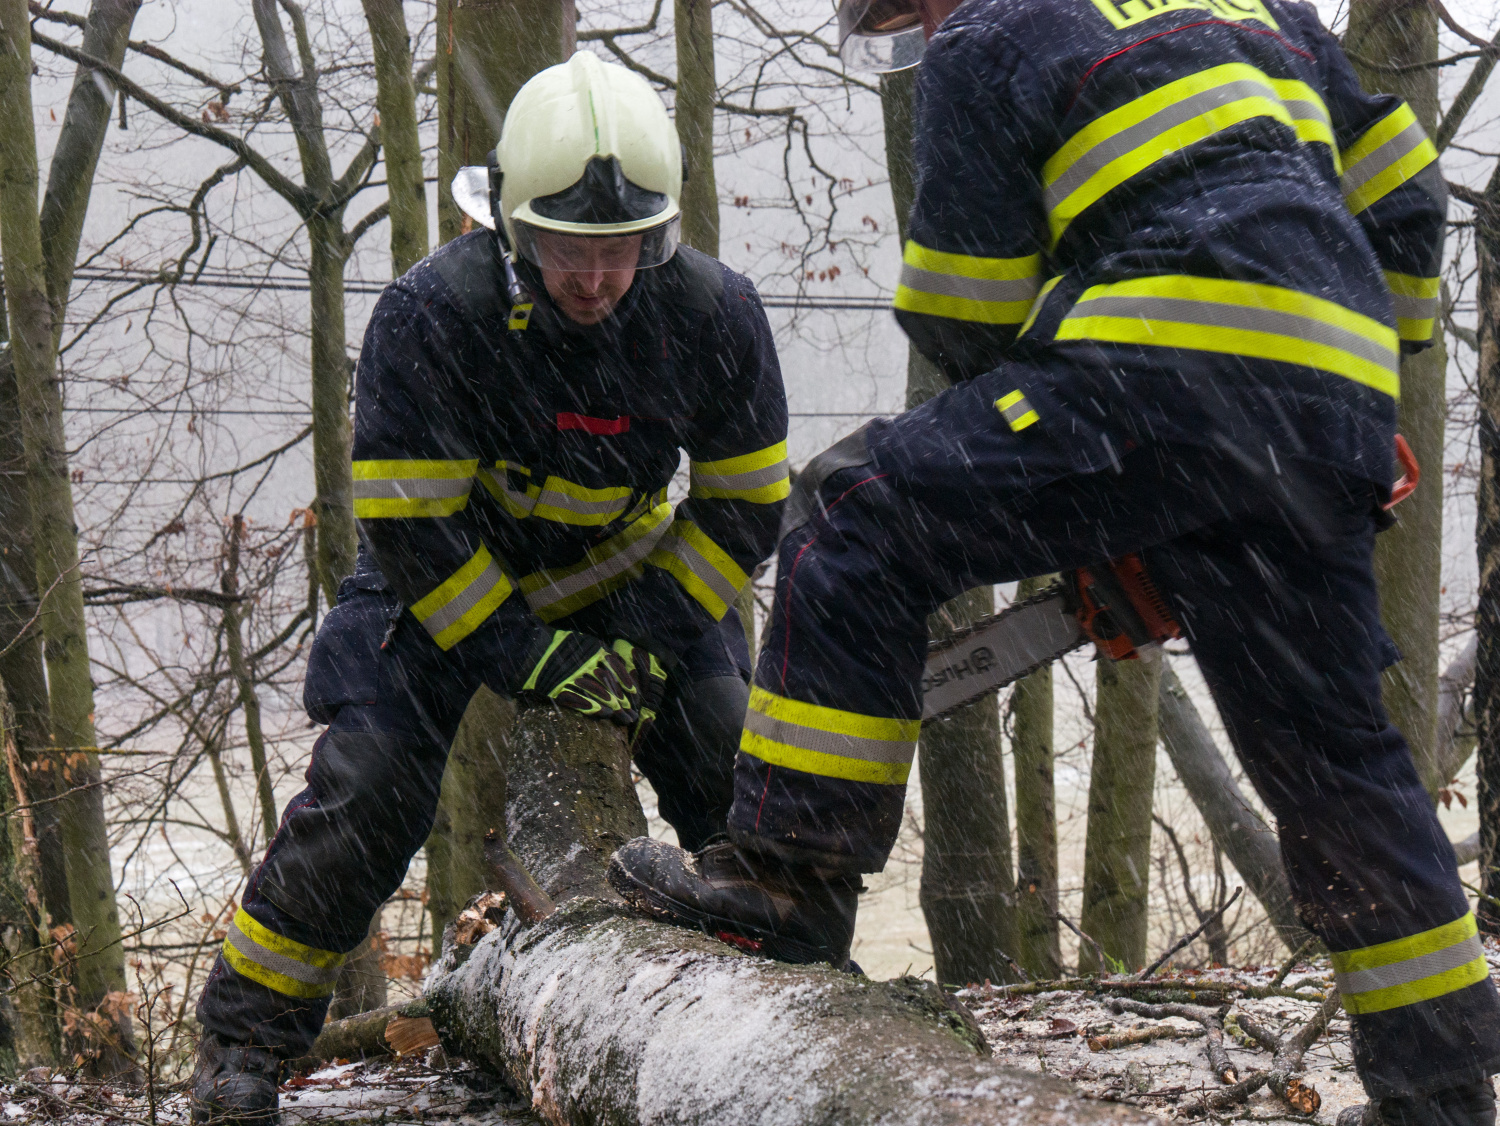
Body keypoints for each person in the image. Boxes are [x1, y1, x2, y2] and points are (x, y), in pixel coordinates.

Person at [607, 0, 1500, 1120]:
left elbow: (964, 315)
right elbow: (1410, 194)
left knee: (856, 516)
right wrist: (1353, 365)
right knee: (1339, 760)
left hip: (1158, 367)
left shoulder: (988, 36)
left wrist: (1096, 501)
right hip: (1330, 406)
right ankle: (1442, 1089)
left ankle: (789, 873)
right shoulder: (1262, 10)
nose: (916, 31)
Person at [190, 51, 789, 1124]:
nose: (594, 278)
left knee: (724, 740)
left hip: (627, 566)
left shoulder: (713, 315)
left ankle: (793, 986)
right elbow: (412, 528)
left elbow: (743, 508)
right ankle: (243, 1043)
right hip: (450, 575)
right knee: (369, 784)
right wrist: (520, 653)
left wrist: (652, 637)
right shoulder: (433, 317)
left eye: (618, 251)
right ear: (512, 227)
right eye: (567, 248)